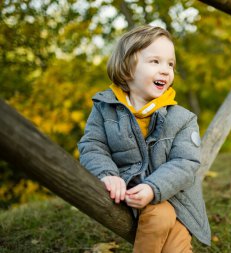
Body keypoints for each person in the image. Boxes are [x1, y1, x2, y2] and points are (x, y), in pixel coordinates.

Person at [78, 25, 211, 252]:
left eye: (170, 64)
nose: (166, 70)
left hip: (174, 198)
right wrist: (107, 175)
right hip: (130, 193)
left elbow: (185, 163)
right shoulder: (104, 108)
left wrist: (152, 188)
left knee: (174, 239)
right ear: (128, 67)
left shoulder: (182, 118)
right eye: (155, 61)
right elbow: (93, 146)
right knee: (160, 216)